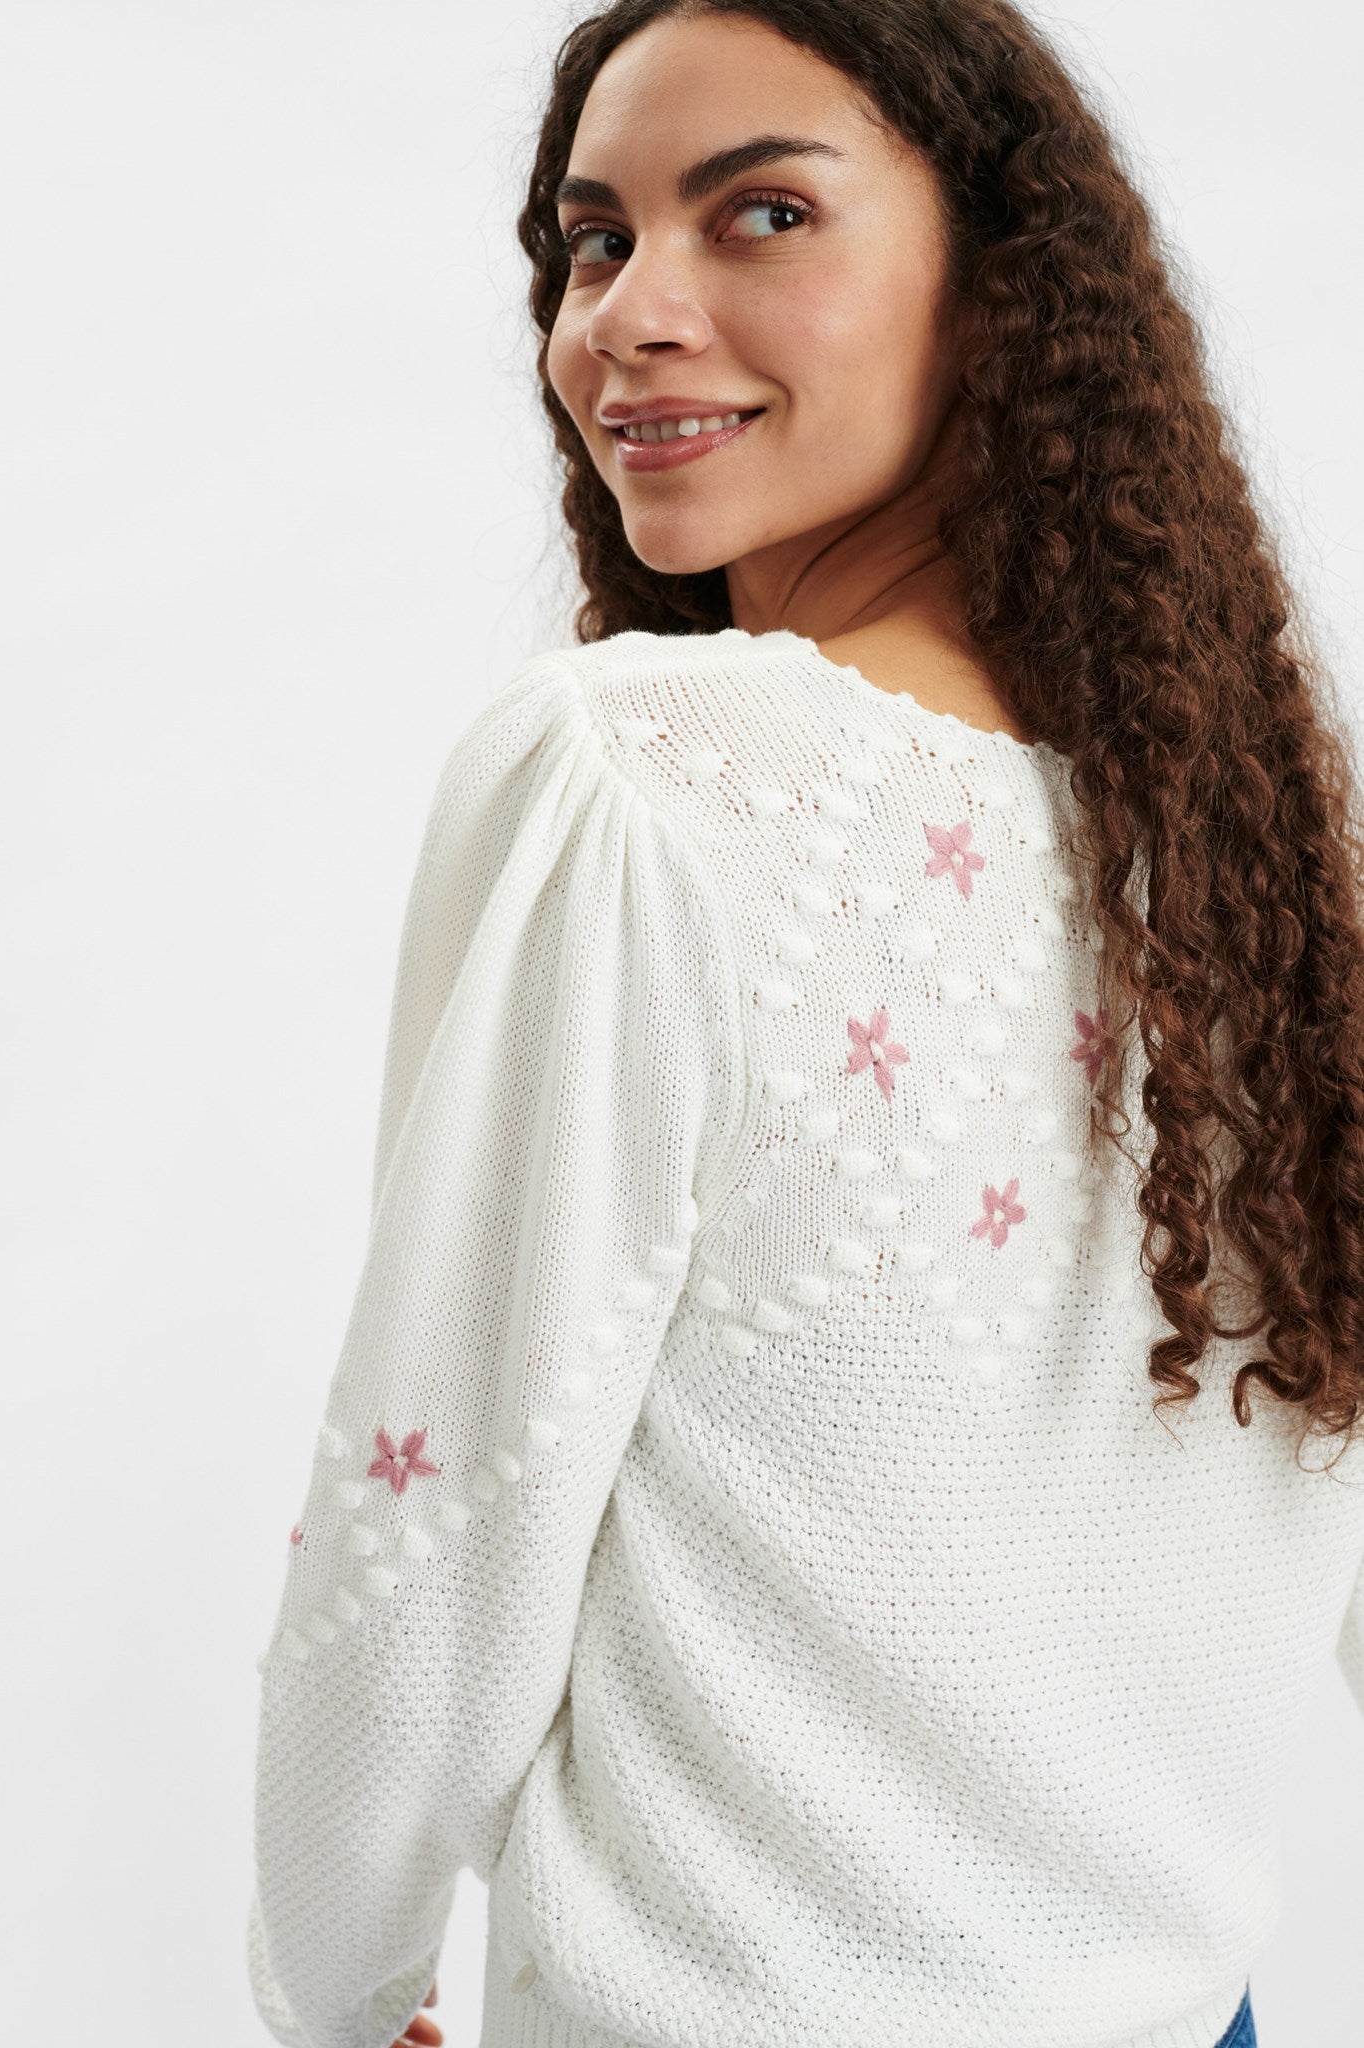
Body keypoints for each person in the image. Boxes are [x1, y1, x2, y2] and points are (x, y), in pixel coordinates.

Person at [245, 4, 1364, 2045]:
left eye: (759, 212)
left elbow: (448, 1498)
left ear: (999, 283)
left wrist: (340, 1971)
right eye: (591, 241)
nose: (626, 315)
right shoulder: (1253, 848)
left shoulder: (646, 776)